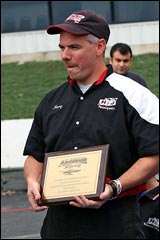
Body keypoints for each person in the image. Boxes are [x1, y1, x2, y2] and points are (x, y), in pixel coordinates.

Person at [23, 10, 159, 239]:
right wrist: (32, 181)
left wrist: (114, 187)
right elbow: (35, 156)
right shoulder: (51, 101)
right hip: (59, 228)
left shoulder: (135, 95)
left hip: (116, 226)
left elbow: (154, 155)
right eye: (62, 48)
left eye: (74, 47)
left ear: (99, 47)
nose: (65, 55)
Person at [109, 42, 159, 239]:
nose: (121, 64)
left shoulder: (137, 81)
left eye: (125, 60)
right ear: (110, 60)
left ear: (130, 61)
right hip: (116, 147)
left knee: (147, 182)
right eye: (118, 60)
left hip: (136, 145)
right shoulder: (103, 84)